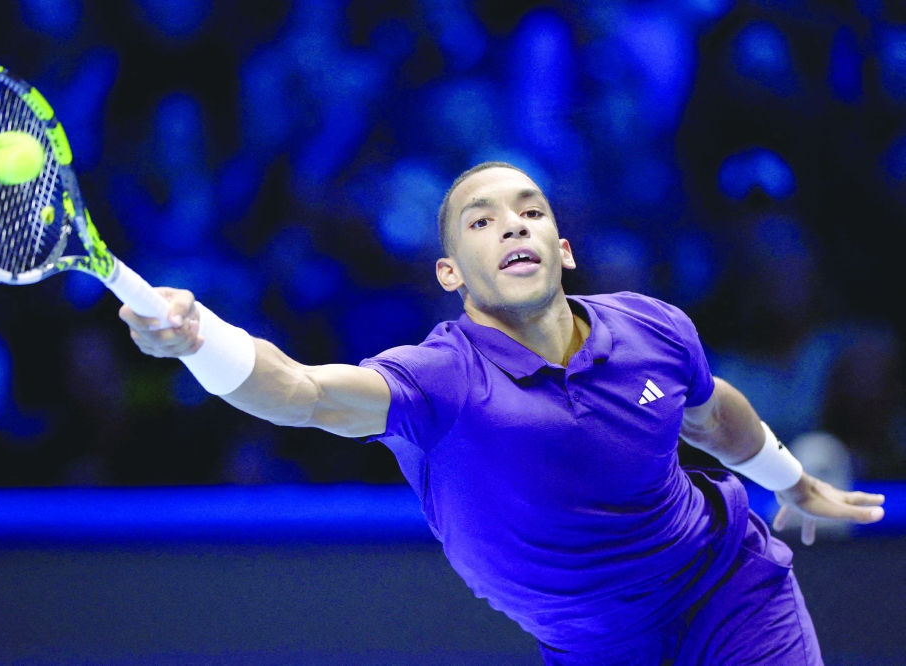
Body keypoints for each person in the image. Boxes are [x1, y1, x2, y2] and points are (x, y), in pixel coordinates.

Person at [120, 162, 885, 665]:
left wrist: (789, 481)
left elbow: (716, 418)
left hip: (730, 589)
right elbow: (301, 391)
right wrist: (199, 340)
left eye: (531, 212)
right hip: (592, 650)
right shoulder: (441, 381)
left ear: (564, 247)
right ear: (450, 273)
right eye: (482, 221)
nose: (514, 225)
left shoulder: (653, 328)